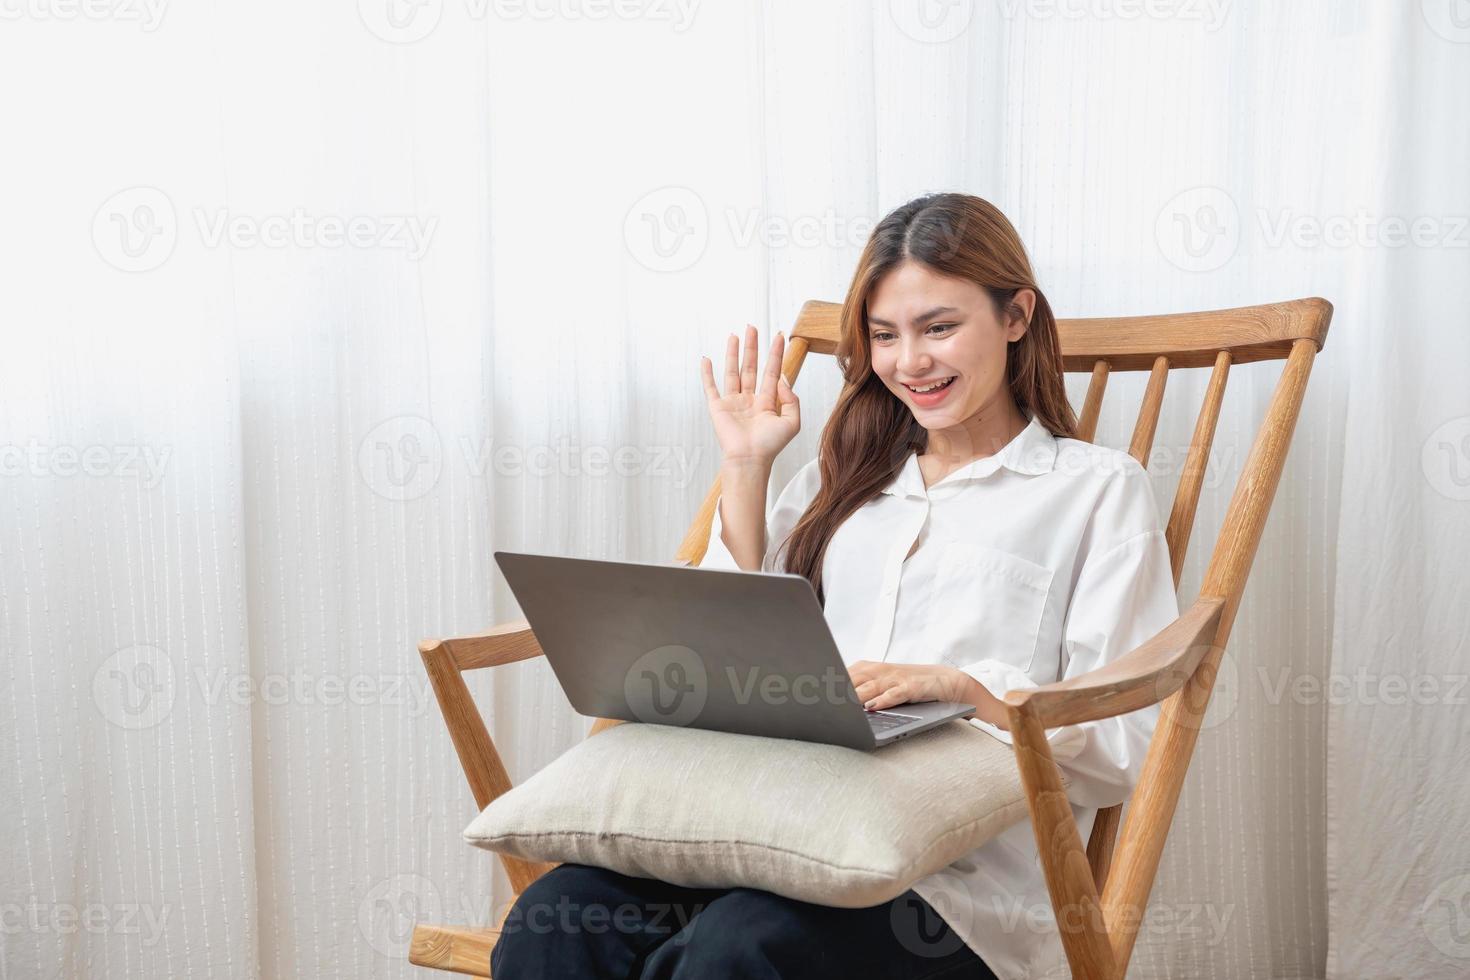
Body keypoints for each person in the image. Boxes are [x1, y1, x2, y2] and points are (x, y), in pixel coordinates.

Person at [490, 192, 1180, 978]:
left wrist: (964, 688)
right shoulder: (844, 480)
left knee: (736, 950)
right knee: (559, 918)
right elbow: (726, 656)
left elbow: (1123, 744)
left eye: (939, 327)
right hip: (768, 835)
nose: (909, 362)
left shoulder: (1094, 490)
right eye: (885, 336)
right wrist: (747, 469)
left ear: (1016, 316)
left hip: (956, 898)